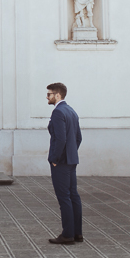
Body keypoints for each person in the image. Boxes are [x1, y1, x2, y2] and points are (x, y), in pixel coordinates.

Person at [46, 82, 83, 245]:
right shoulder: (71, 111)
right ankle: (77, 233)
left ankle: (67, 234)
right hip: (71, 160)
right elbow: (78, 138)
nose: (47, 97)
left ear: (57, 95)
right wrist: (71, 154)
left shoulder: (58, 112)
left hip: (61, 162)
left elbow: (60, 139)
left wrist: (55, 159)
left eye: (49, 94)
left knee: (64, 198)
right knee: (73, 196)